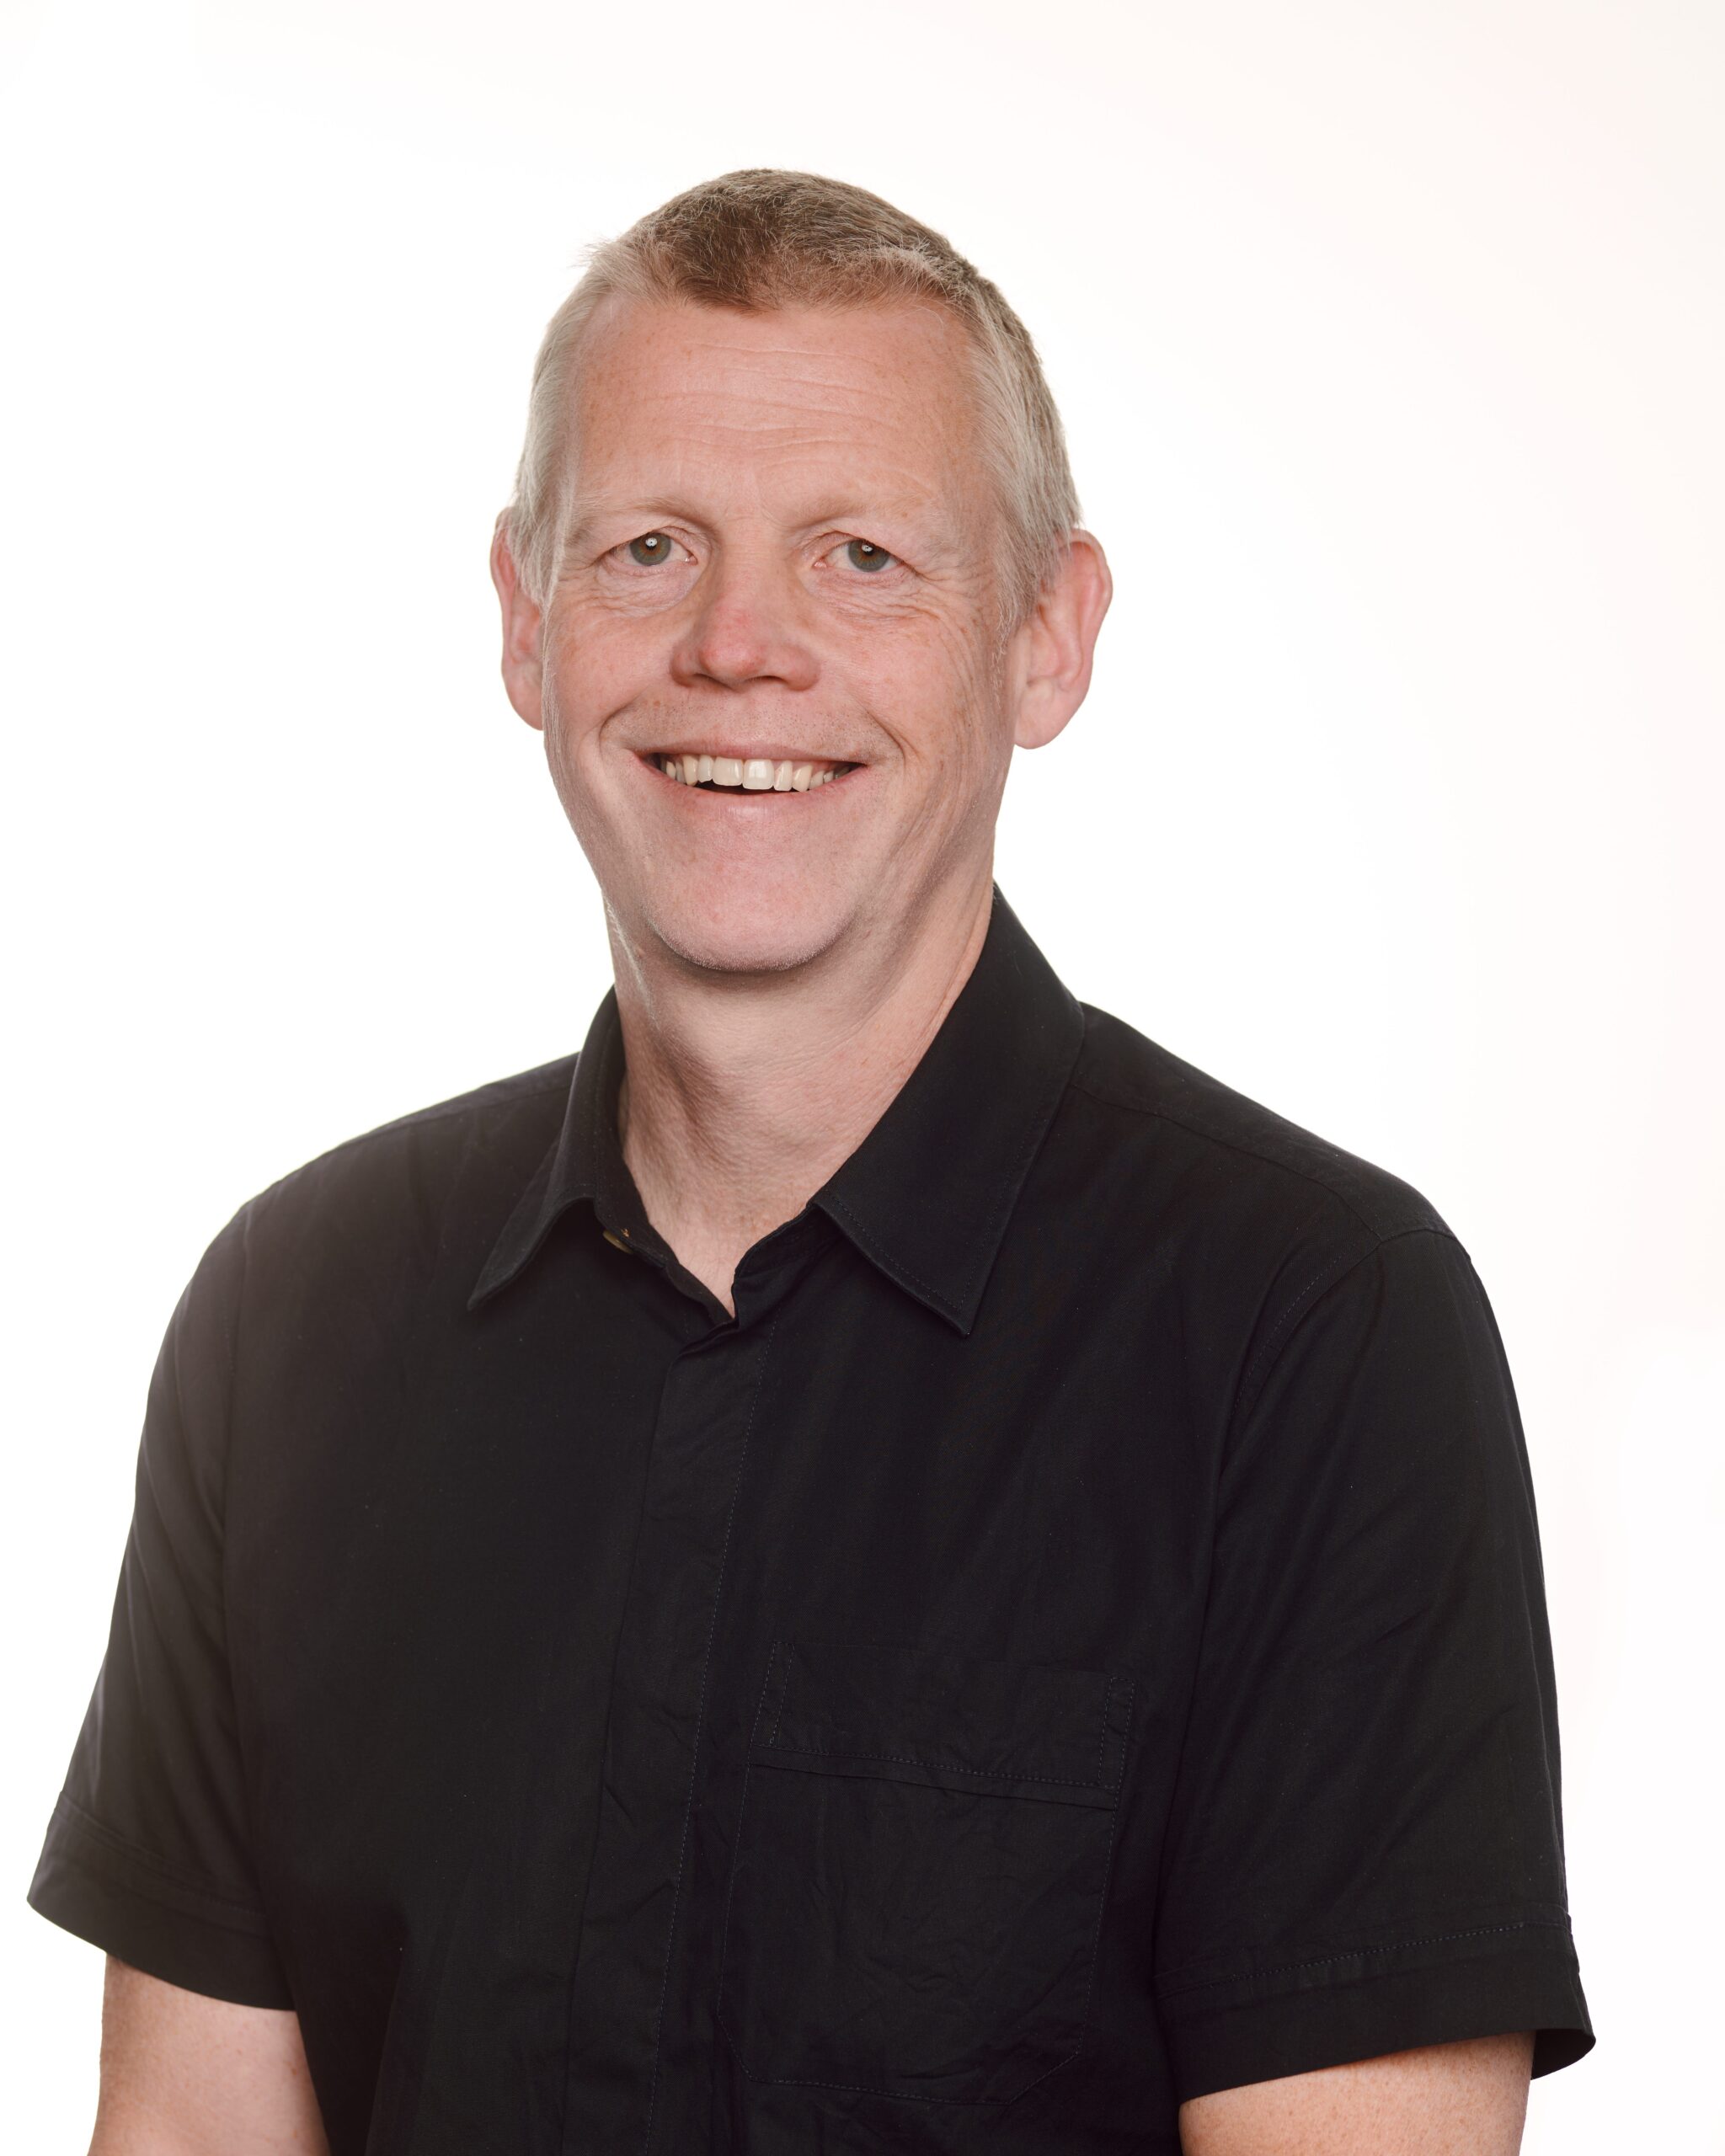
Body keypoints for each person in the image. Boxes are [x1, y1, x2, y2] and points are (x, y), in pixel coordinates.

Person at [29, 168, 1593, 2155]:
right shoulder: (294, 1314)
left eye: (861, 556)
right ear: (524, 622)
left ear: (1045, 637)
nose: (738, 645)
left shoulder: (1311, 1331)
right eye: (649, 548)